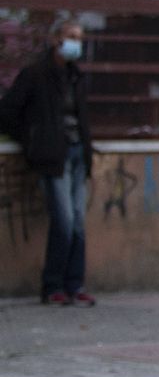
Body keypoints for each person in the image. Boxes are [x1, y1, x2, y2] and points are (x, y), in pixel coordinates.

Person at [0, 18, 95, 306]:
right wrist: (33, 140)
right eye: (70, 36)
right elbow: (8, 112)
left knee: (78, 222)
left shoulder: (76, 76)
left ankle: (74, 284)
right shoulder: (36, 75)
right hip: (53, 156)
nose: (75, 43)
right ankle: (53, 285)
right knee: (64, 220)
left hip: (77, 152)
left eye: (79, 38)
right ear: (55, 39)